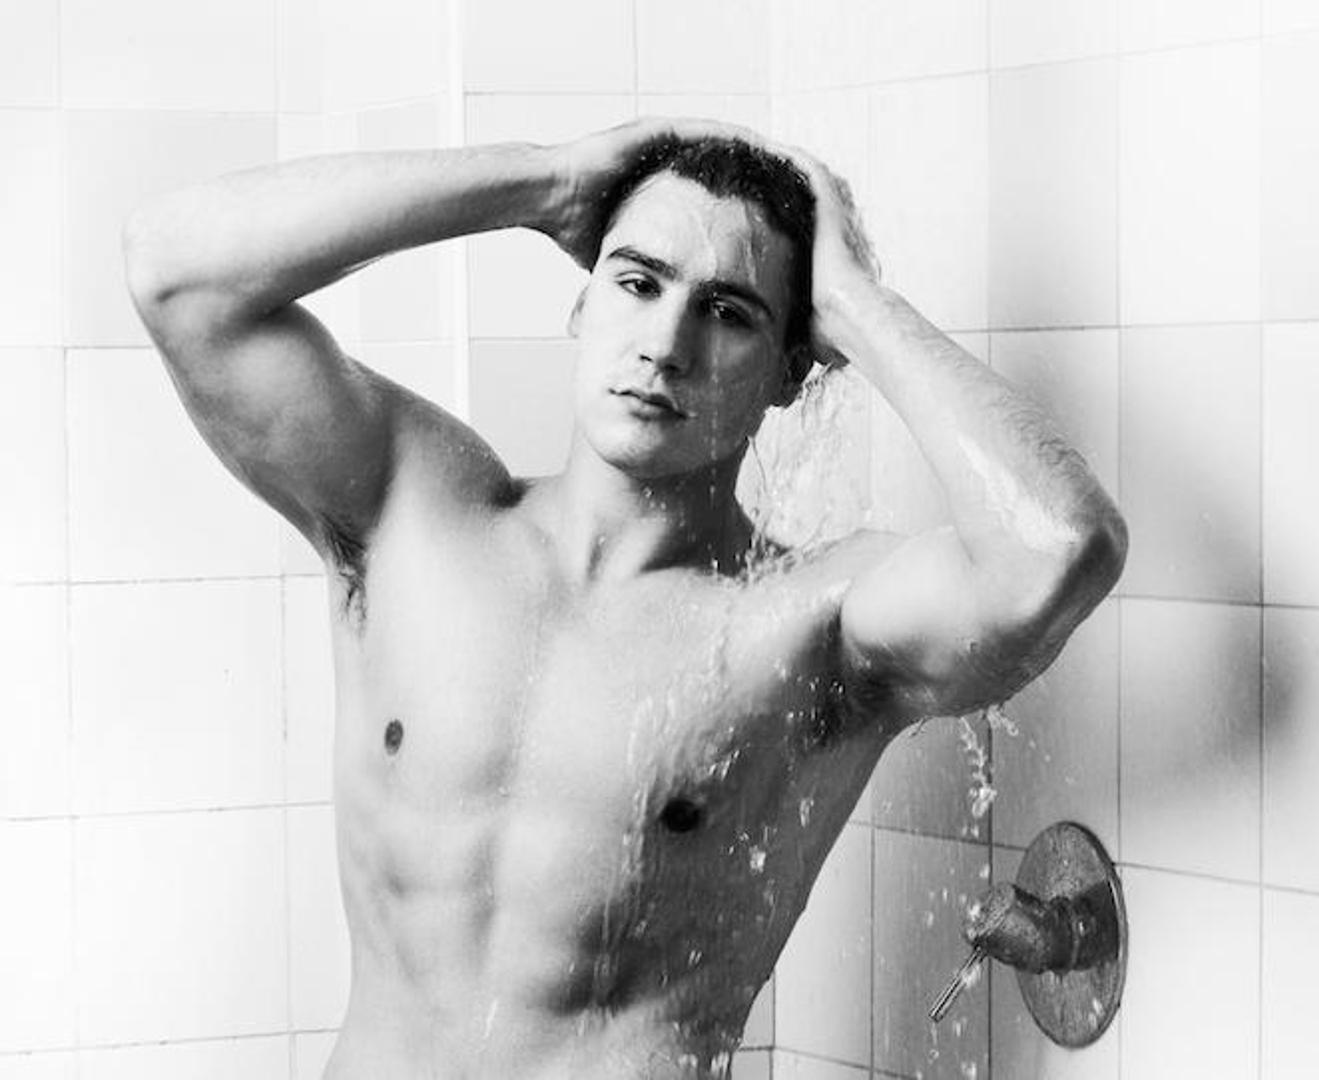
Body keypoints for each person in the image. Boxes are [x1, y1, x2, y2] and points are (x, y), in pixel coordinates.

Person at [121, 117, 1127, 1079]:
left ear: (792, 369)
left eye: (728, 312)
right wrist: (546, 182)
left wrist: (854, 304)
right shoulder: (413, 514)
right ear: (581, 303)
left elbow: (1056, 547)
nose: (665, 343)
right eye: (637, 282)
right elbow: (174, 272)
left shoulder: (805, 623)